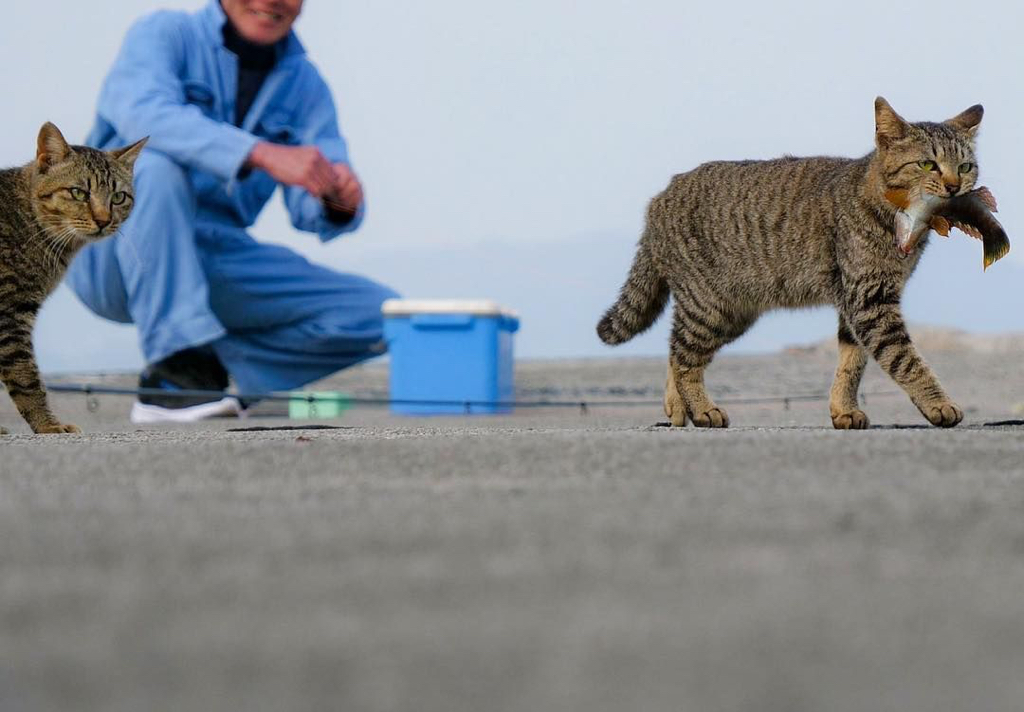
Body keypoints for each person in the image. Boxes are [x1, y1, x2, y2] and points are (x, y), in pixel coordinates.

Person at [67, 0, 398, 423]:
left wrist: (338, 200)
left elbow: (312, 201)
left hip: (213, 255)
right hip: (110, 247)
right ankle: (171, 374)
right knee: (155, 166)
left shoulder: (307, 86)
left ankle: (216, 371)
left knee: (383, 314)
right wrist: (260, 153)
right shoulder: (164, 33)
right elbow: (142, 114)